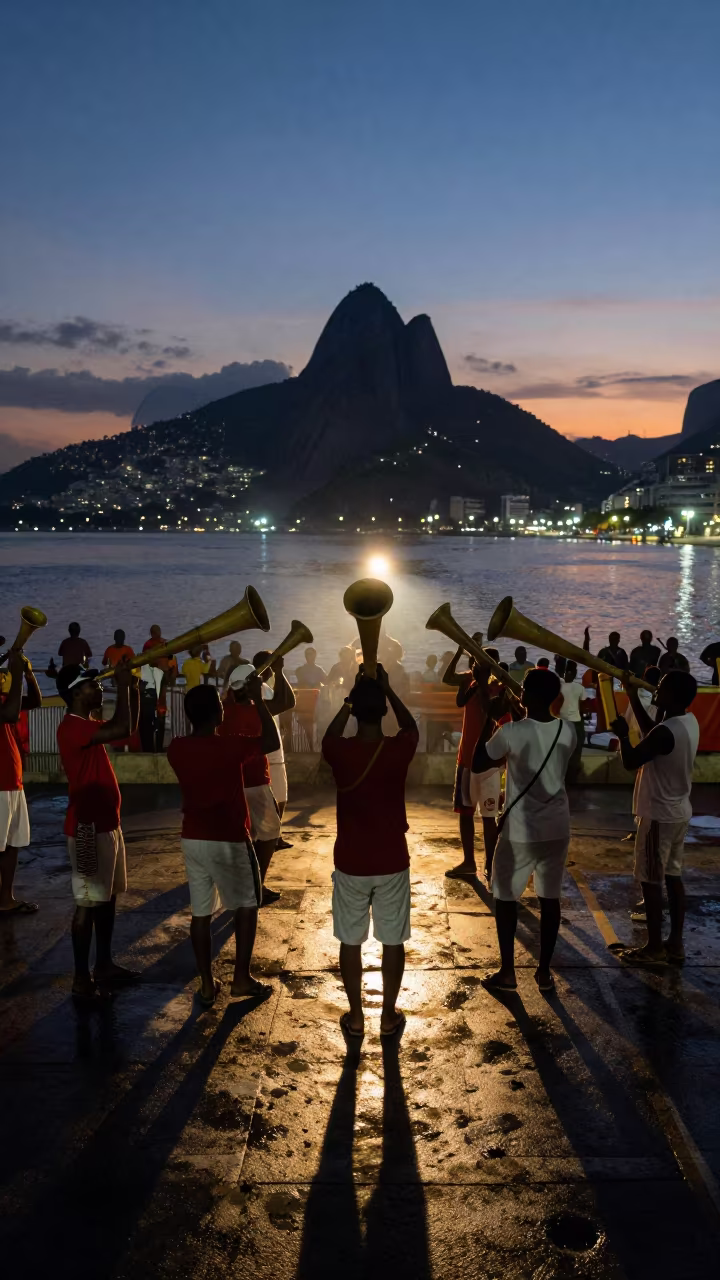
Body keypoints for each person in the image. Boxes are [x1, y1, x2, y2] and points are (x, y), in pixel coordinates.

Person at [167, 680, 278, 1006]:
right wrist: (258, 699)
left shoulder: (177, 747)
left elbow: (205, 740)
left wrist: (226, 704)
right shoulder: (230, 746)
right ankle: (241, 978)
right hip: (229, 837)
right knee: (247, 905)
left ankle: (205, 983)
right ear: (217, 712)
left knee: (200, 914)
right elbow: (270, 740)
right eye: (220, 704)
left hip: (193, 838)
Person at [322, 665, 418, 1038]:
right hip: (392, 858)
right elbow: (411, 727)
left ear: (354, 711)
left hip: (350, 859)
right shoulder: (397, 749)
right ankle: (389, 1015)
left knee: (351, 940)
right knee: (393, 941)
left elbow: (328, 736)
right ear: (382, 711)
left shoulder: (340, 751)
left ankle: (357, 1016)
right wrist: (389, 690)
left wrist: (352, 696)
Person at [473, 668, 576, 993]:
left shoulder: (509, 731)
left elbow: (478, 763)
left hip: (520, 832)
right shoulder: (568, 731)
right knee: (549, 899)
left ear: (527, 696)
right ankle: (544, 973)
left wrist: (490, 718)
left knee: (504, 898)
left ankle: (507, 973)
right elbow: (539, 734)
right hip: (557, 827)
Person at [56, 658, 140, 998]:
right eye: (92, 685)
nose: (98, 687)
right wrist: (122, 685)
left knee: (105, 899)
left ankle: (103, 965)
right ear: (76, 694)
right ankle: (80, 978)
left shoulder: (85, 724)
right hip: (88, 829)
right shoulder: (73, 727)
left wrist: (130, 687)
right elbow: (121, 729)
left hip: (107, 825)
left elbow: (128, 727)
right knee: (88, 903)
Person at [611, 670, 699, 967]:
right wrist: (633, 695)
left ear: (671, 695)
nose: (657, 686)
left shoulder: (665, 732)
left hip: (658, 815)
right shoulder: (686, 722)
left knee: (650, 880)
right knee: (673, 878)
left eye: (661, 686)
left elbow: (630, 761)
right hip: (678, 812)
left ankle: (654, 948)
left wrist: (623, 734)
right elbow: (654, 732)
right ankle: (674, 943)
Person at [220, 656, 294, 904]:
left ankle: (246, 885)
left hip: (231, 783)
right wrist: (279, 673)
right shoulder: (255, 710)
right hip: (255, 783)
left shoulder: (222, 709)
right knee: (270, 834)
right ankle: (256, 885)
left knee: (244, 839)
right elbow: (287, 702)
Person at [445, 650, 505, 883]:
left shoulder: (497, 686)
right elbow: (449, 680)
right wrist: (459, 652)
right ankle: (469, 861)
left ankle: (490, 863)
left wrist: (481, 680)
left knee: (489, 815)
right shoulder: (471, 681)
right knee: (465, 812)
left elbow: (489, 709)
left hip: (489, 760)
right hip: (467, 759)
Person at [0, 650, 42, 915]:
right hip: (0, 783)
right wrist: (15, 674)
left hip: (12, 780)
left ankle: (7, 899)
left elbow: (35, 701)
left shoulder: (3, 697)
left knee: (13, 842)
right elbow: (12, 713)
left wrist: (27, 673)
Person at [253, 648, 297, 851]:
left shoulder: (261, 687)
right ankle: (270, 838)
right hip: (269, 753)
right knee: (277, 799)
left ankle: (273, 836)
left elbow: (288, 700)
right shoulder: (259, 690)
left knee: (280, 798)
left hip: (272, 752)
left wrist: (280, 673)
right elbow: (286, 702)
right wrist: (280, 672)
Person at [557, 660, 590, 782]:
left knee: (562, 752)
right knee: (576, 750)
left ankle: (562, 778)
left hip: (561, 723)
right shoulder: (580, 688)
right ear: (576, 673)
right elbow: (583, 708)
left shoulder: (558, 686)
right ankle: (572, 778)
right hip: (576, 722)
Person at [139, 658, 167, 752]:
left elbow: (161, 687)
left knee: (154, 726)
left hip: (154, 700)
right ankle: (147, 749)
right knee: (146, 726)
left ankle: (154, 749)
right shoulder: (140, 669)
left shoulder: (160, 672)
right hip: (145, 700)